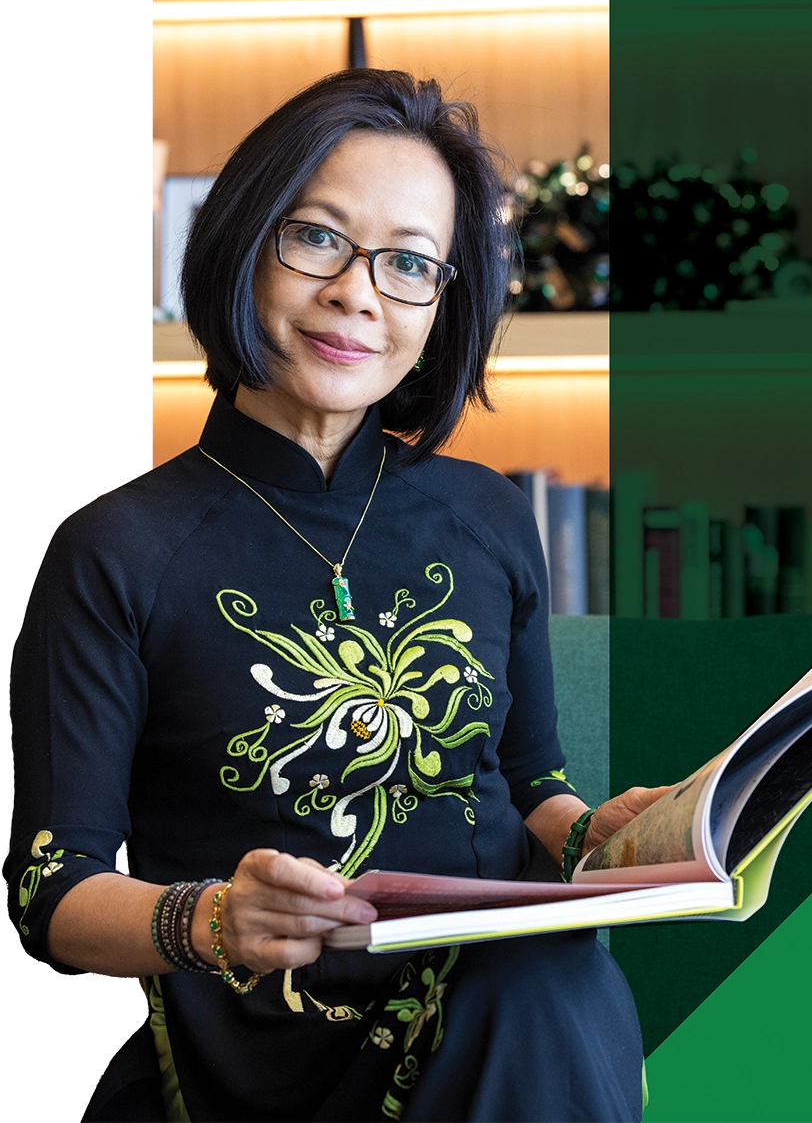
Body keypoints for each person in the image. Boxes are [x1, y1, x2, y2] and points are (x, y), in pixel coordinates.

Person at [3, 69, 664, 1123]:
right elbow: (54, 891)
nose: (359, 293)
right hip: (263, 1044)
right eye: (317, 238)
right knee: (547, 994)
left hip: (501, 1002)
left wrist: (607, 837)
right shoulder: (115, 548)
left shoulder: (487, 515)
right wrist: (212, 920)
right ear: (243, 239)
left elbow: (529, 779)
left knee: (545, 977)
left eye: (408, 264)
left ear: (444, 303)